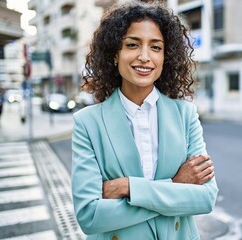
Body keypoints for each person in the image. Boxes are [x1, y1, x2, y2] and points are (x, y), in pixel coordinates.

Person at [71, 1, 219, 239]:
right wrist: (176, 186)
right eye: (132, 45)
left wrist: (129, 187)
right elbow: (90, 216)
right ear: (114, 54)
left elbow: (205, 198)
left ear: (165, 57)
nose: (144, 57)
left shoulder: (185, 114)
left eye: (156, 47)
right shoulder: (87, 123)